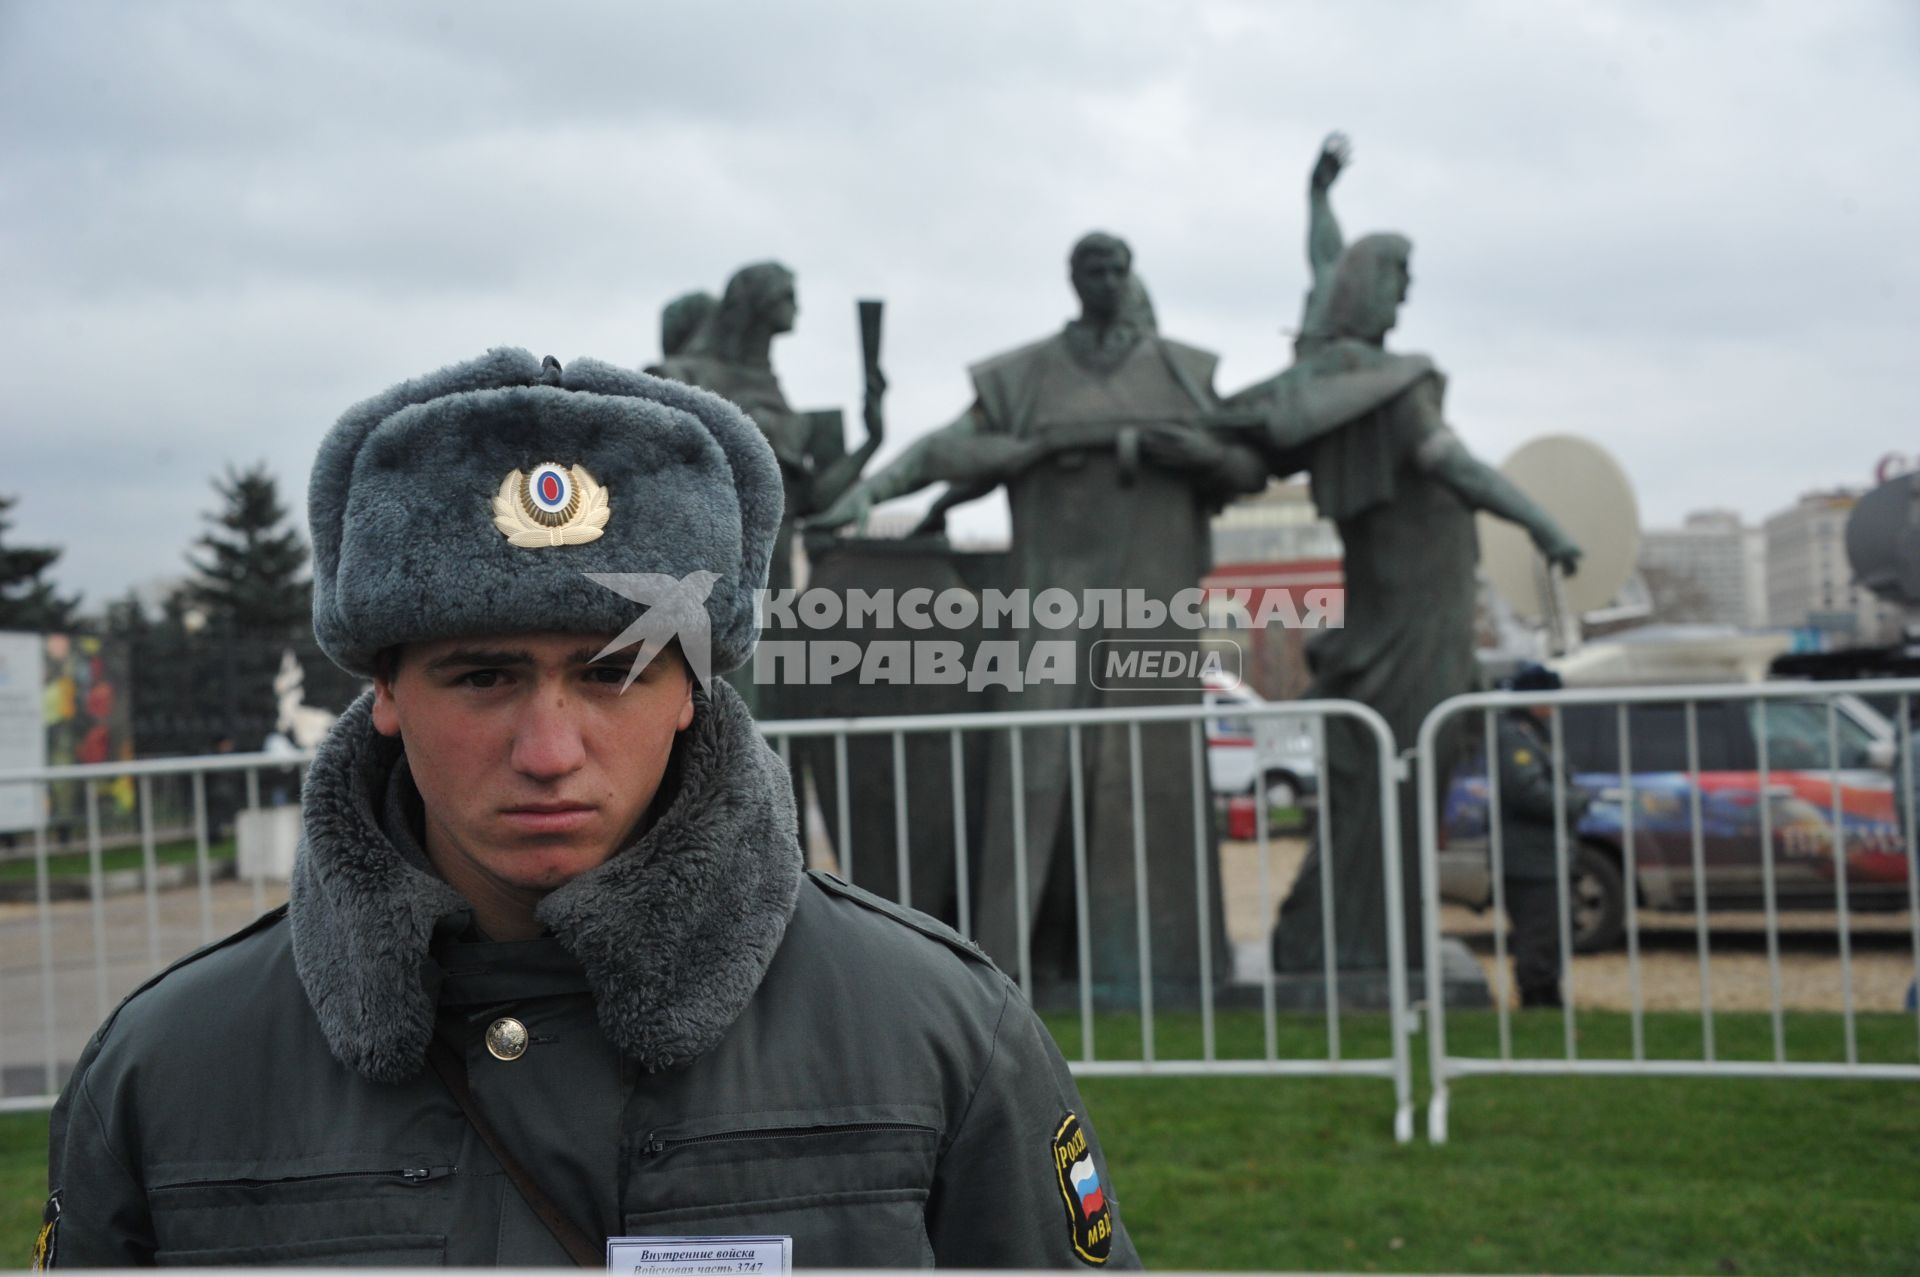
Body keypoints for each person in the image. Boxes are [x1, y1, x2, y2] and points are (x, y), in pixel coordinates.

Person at [38, 348, 1137, 1268]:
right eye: (482, 676)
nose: (549, 750)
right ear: (385, 691)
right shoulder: (168, 1072)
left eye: (612, 673)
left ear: (691, 693)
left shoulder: (940, 1036)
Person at [812, 234, 1268, 1005]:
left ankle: (1159, 967)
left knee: (1149, 769)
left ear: (1131, 276)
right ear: (1074, 280)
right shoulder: (1027, 375)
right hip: (1048, 600)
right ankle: (1014, 965)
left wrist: (1195, 450)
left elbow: (1246, 466)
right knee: (1034, 766)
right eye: (1094, 269)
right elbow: (946, 449)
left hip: (1154, 604)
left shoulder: (1181, 368)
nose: (1109, 280)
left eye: (1120, 267)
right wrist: (867, 497)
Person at [1207, 135, 1584, 976]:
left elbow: (1325, 264)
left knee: (1392, 783)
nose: (1403, 301)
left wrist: (1317, 196)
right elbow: (1455, 463)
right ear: (1372, 289)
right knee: (1398, 781)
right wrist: (1544, 525)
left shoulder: (1348, 380)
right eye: (1398, 282)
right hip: (1412, 626)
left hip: (1415, 617)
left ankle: (1359, 936)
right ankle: (1350, 942)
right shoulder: (1387, 388)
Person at [1492, 663, 1591, 1009]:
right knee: (1538, 934)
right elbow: (1527, 792)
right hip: (1530, 860)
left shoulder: (1532, 734)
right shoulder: (1513, 736)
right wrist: (1577, 802)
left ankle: (1548, 998)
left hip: (1544, 855)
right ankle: (1538, 1001)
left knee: (1552, 933)